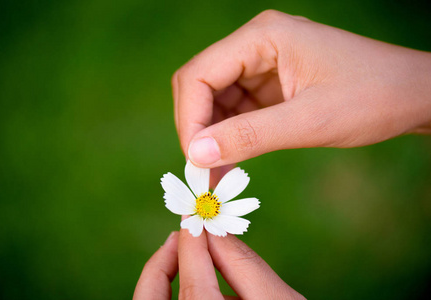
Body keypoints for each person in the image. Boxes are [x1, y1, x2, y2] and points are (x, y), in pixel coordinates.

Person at [134, 10, 431, 299]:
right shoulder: (200, 210)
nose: (206, 204)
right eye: (206, 203)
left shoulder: (206, 208)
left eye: (207, 203)